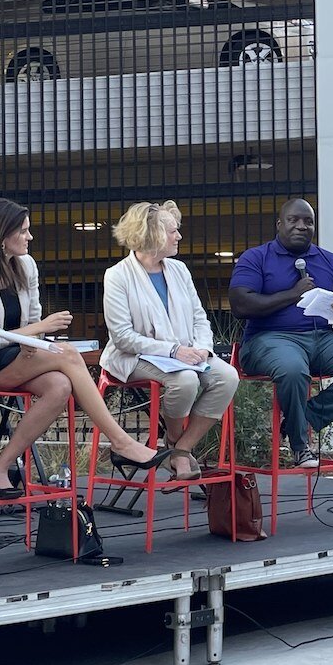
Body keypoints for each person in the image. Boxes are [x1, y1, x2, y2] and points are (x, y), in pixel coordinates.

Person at [0, 199, 168, 496]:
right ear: (1, 235)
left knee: (60, 386)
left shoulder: (25, 265)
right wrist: (37, 331)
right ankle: (121, 442)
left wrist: (33, 344)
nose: (30, 237)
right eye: (23, 231)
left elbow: (31, 320)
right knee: (69, 355)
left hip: (14, 357)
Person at [229, 199, 333, 468]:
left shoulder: (331, 262)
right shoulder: (256, 258)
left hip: (322, 339)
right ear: (280, 224)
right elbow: (240, 305)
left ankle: (302, 419)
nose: (302, 226)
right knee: (292, 369)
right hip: (269, 339)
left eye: (308, 222)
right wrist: (292, 294)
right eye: (294, 220)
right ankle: (300, 446)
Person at [101, 201, 240, 480]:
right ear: (150, 234)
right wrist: (174, 351)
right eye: (173, 231)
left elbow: (200, 318)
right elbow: (123, 337)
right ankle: (176, 443)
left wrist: (203, 347)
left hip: (186, 355)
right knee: (185, 380)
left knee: (229, 377)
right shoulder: (117, 276)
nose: (179, 236)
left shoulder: (179, 270)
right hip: (135, 357)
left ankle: (179, 450)